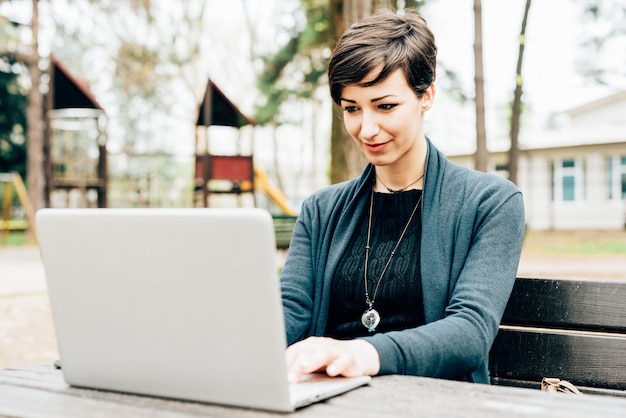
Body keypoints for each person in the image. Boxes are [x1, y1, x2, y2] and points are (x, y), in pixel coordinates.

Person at [280, 8, 525, 385]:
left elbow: (469, 332)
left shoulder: (490, 203)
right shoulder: (320, 210)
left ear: (426, 95)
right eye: (351, 109)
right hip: (327, 398)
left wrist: (361, 352)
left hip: (435, 403)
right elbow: (289, 312)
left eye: (385, 106)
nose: (367, 128)